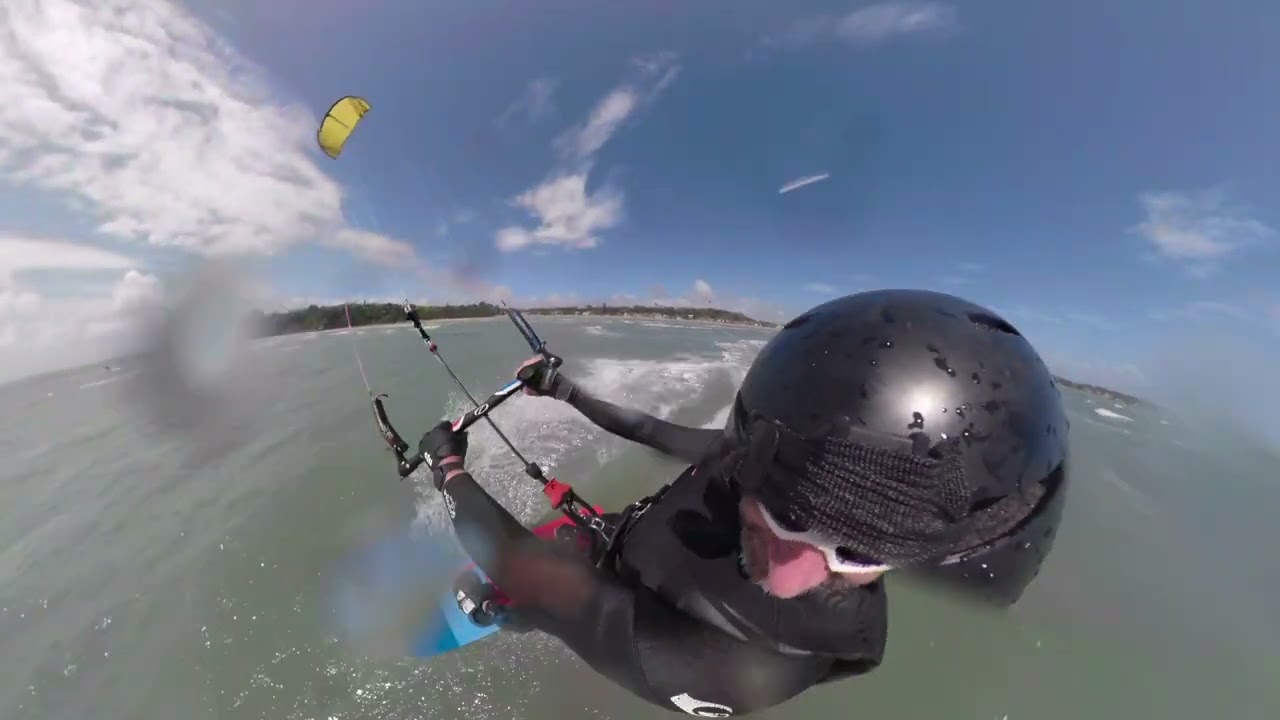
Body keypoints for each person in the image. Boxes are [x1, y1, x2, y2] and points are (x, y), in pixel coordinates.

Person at [418, 289, 1070, 716]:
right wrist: (563, 389)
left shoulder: (718, 664)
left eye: (860, 550)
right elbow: (648, 430)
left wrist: (448, 468)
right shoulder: (770, 456)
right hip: (624, 537)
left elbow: (518, 565)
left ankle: (509, 617)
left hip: (627, 620)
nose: (792, 572)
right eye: (789, 513)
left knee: (527, 598)